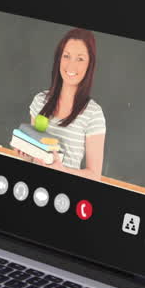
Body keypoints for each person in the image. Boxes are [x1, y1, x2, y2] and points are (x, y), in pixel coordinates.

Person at [18, 28, 106, 180]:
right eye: (66, 56)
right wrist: (26, 154)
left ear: (89, 64)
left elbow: (94, 175)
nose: (71, 66)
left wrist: (62, 170)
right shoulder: (40, 101)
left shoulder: (94, 114)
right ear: (59, 59)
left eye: (80, 59)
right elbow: (33, 157)